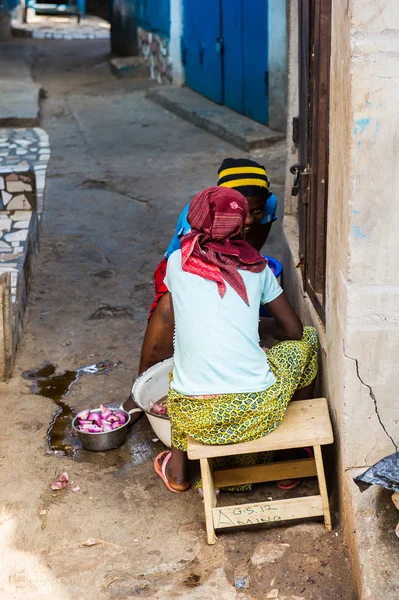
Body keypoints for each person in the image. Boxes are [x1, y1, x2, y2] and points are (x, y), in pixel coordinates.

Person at [153, 186, 318, 492]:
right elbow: (293, 331)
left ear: (197, 219)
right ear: (241, 223)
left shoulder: (177, 262)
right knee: (307, 340)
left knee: (182, 370)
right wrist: (257, 327)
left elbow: (199, 316)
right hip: (257, 412)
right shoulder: (257, 267)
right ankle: (288, 458)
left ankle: (178, 473)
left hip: (196, 416)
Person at [124, 158, 278, 416]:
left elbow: (252, 248)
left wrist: (239, 271)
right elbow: (189, 266)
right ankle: (141, 387)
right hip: (189, 263)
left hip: (232, 259)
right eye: (242, 212)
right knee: (169, 309)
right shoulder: (195, 215)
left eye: (256, 212)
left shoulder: (268, 205)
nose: (249, 220)